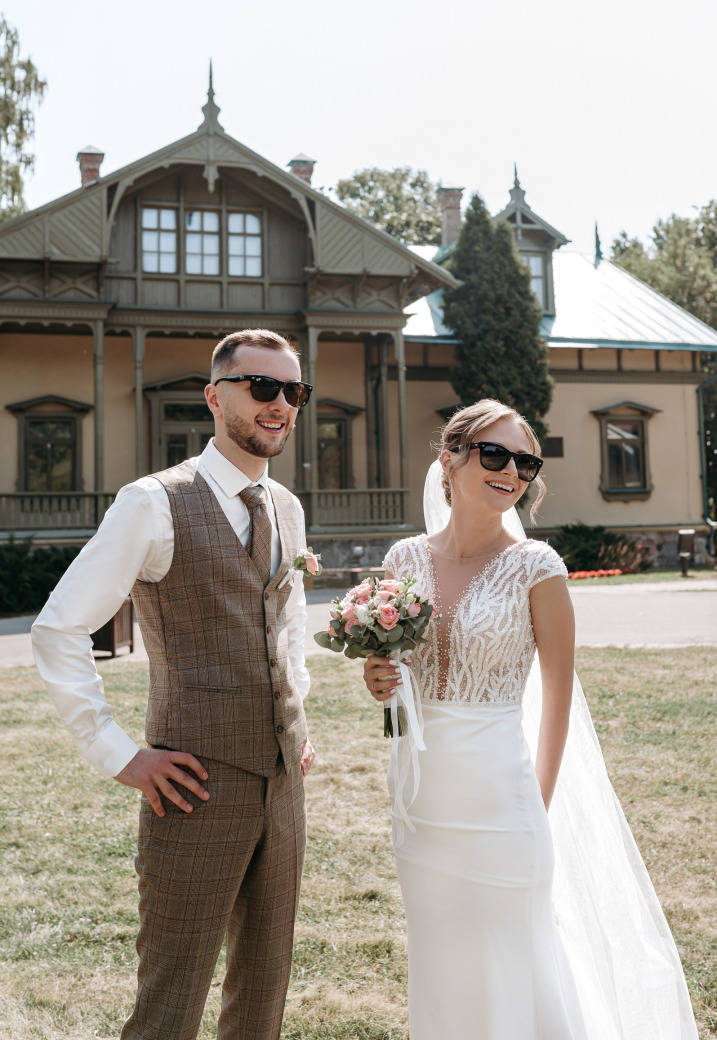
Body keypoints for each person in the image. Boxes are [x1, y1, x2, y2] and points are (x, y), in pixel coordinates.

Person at [363, 399, 698, 1040]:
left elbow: (558, 699)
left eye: (525, 462)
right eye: (494, 453)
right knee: (443, 964)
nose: (511, 471)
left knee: (513, 965)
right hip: (418, 802)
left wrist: (536, 806)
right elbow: (395, 674)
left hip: (502, 806)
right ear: (449, 461)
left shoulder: (538, 569)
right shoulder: (403, 560)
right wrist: (378, 679)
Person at [32, 328, 316, 1040]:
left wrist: (299, 719)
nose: (280, 404)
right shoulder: (152, 503)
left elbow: (286, 623)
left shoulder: (285, 506)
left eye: (295, 391)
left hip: (282, 786)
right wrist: (120, 755)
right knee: (170, 1002)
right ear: (215, 396)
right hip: (192, 786)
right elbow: (59, 629)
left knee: (262, 996)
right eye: (263, 387)